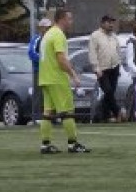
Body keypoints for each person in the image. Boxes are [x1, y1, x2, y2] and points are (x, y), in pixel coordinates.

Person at [39, 8, 90, 154]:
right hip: (56, 78)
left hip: (45, 78)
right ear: (62, 19)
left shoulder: (48, 34)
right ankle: (73, 144)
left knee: (47, 112)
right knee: (67, 111)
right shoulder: (58, 35)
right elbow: (61, 59)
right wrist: (73, 74)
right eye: (70, 19)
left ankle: (45, 144)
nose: (71, 22)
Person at [89, 14, 122, 123]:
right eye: (108, 22)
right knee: (107, 91)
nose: (111, 25)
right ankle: (118, 112)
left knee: (111, 93)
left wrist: (119, 65)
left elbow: (118, 51)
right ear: (102, 23)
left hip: (114, 67)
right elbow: (92, 53)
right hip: (102, 69)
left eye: (112, 22)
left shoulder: (114, 36)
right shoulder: (95, 36)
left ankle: (103, 116)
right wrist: (96, 67)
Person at [28, 18, 53, 122]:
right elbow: (31, 53)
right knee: (38, 93)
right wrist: (44, 60)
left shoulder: (52, 39)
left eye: (48, 27)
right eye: (45, 28)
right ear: (41, 28)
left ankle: (52, 116)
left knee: (51, 93)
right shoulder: (36, 39)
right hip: (39, 70)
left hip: (51, 70)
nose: (46, 30)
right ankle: (37, 117)